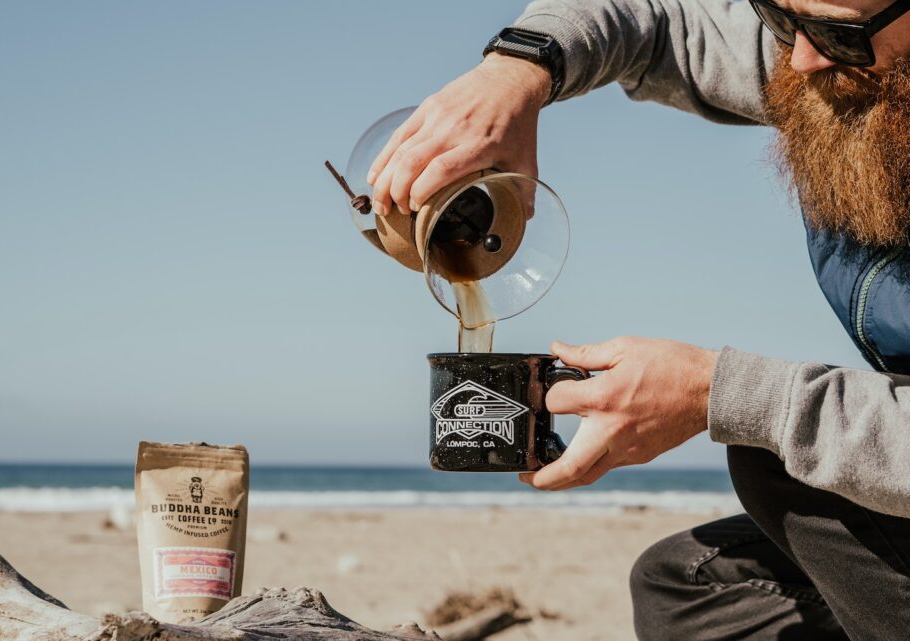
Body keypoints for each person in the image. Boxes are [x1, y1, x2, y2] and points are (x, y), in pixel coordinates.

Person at [367, 0, 910, 638]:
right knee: (687, 588)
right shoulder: (840, 62)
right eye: (781, 18)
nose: (800, 59)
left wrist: (716, 393)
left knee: (781, 465)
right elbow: (653, 22)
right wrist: (515, 70)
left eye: (837, 36)